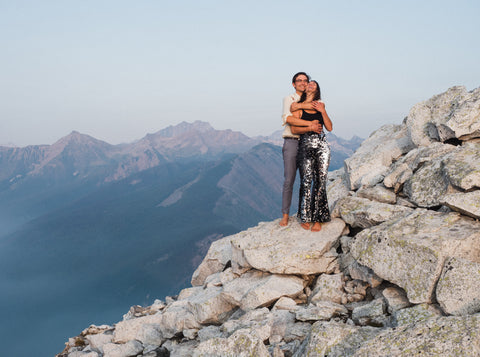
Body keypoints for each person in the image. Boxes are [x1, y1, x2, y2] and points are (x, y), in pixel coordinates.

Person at [279, 72, 322, 226]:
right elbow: (288, 118)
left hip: (307, 142)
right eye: (299, 80)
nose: (303, 83)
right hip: (291, 141)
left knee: (306, 180)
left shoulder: (314, 101)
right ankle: (285, 215)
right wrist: (309, 125)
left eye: (305, 81)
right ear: (293, 84)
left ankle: (305, 215)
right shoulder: (289, 99)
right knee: (289, 179)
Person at [290, 80, 333, 232]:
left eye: (314, 83)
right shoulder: (298, 108)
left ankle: (318, 218)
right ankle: (305, 216)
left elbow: (329, 127)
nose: (311, 84)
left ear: (317, 88)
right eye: (309, 83)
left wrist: (322, 111)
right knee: (306, 181)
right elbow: (294, 129)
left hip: (322, 146)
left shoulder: (321, 106)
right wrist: (310, 126)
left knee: (321, 181)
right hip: (305, 145)